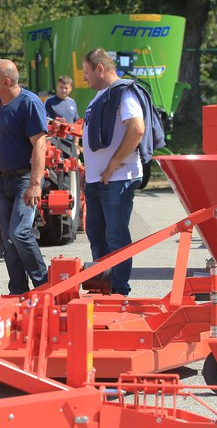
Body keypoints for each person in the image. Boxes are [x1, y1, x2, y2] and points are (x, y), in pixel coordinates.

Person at [81, 48, 145, 296]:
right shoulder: (99, 96)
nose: (85, 78)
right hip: (98, 180)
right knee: (97, 236)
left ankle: (119, 291)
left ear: (100, 68)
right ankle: (104, 287)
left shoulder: (124, 92)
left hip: (117, 179)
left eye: (87, 72)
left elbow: (137, 129)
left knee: (116, 238)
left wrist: (112, 165)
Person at [0, 59, 48, 294]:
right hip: (3, 179)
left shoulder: (29, 103)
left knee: (19, 232)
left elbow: (39, 145)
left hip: (24, 179)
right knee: (8, 239)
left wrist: (34, 184)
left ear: (7, 81)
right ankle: (18, 291)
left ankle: (43, 285)